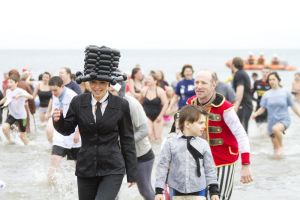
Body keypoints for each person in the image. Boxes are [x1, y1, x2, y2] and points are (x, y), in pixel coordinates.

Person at [52, 45, 137, 200]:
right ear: (88, 83)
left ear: (109, 84)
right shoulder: (78, 102)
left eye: (102, 83)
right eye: (93, 82)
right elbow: (67, 129)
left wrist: (132, 172)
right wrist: (58, 121)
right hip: (86, 167)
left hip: (113, 167)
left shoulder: (121, 105)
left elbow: (127, 139)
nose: (97, 87)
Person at [187, 70, 253, 200]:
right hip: (196, 161)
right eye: (197, 82)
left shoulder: (225, 108)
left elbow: (241, 134)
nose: (199, 86)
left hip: (222, 161)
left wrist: (245, 164)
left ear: (213, 84)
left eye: (203, 83)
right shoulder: (190, 104)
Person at [155, 105, 219, 200]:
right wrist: (159, 190)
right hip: (176, 189)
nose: (204, 126)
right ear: (188, 124)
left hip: (199, 189)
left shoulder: (204, 144)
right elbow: (162, 166)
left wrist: (214, 191)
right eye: (201, 123)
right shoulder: (170, 143)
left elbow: (210, 168)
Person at [109, 83, 155, 200]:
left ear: (121, 92)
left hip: (141, 155)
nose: (109, 94)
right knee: (111, 189)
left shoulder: (132, 104)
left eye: (113, 91)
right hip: (117, 155)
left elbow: (144, 130)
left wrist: (124, 142)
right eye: (108, 91)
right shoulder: (105, 104)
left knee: (145, 191)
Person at [252, 72, 300, 158]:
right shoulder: (266, 95)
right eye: (270, 80)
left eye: (273, 79)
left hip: (284, 120)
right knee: (276, 151)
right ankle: (278, 166)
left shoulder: (285, 92)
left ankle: (282, 146)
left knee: (276, 130)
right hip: (271, 122)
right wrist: (255, 114)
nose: (272, 81)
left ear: (278, 80)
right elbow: (262, 108)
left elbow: (293, 107)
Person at [47, 76, 81, 182]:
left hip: (74, 134)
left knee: (79, 168)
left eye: (55, 90)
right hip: (60, 135)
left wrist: (78, 133)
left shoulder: (73, 96)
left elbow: (81, 116)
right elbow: (55, 114)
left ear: (62, 86)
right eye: (51, 90)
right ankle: (50, 190)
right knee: (53, 164)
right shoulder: (55, 96)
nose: (53, 93)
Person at [0, 75, 33, 145]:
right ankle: (10, 141)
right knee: (4, 128)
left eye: (11, 82)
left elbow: (31, 97)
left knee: (22, 136)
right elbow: (6, 98)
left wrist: (21, 95)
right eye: (8, 82)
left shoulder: (20, 91)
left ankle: (30, 148)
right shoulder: (8, 91)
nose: (9, 84)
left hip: (22, 116)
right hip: (12, 115)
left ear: (16, 83)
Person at [141, 72, 168, 141]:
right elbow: (140, 103)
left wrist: (160, 116)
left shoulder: (160, 91)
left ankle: (158, 151)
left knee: (158, 138)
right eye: (147, 79)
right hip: (147, 116)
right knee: (150, 135)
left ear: (155, 81)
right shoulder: (144, 90)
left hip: (158, 116)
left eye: (149, 79)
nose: (147, 80)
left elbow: (165, 104)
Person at [231, 57, 253, 133]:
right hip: (246, 105)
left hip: (244, 105)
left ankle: (245, 145)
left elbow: (240, 90)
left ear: (233, 65)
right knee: (241, 129)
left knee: (242, 130)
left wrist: (236, 105)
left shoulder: (239, 74)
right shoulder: (242, 73)